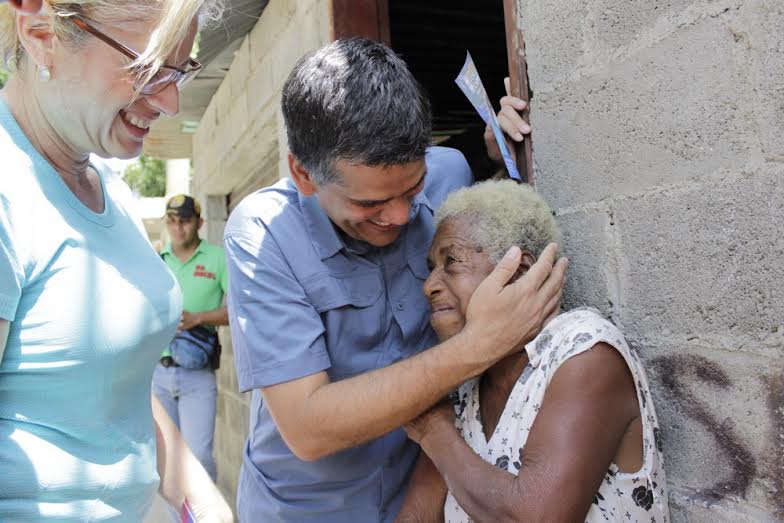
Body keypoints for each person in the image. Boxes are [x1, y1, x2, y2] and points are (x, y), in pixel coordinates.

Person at [224, 37, 568, 522]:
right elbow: (308, 426)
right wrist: (480, 344)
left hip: (424, 501)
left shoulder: (450, 173)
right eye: (369, 204)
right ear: (304, 174)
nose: (403, 216)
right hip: (305, 510)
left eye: (413, 188)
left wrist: (501, 151)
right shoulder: (263, 234)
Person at [0, 1, 231, 521]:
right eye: (149, 69)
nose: (171, 101)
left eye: (179, 71)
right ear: (41, 34)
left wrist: (200, 497)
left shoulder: (111, 188)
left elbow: (111, 389)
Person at [396, 179, 669, 522]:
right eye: (430, 268)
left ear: (519, 273)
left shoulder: (585, 351)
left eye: (451, 261)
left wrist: (433, 433)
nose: (429, 286)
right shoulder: (466, 386)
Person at [154, 193, 229, 482]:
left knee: (198, 456)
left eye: (184, 221)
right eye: (172, 222)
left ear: (199, 222)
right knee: (168, 460)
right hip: (159, 373)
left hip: (198, 373)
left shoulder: (217, 258)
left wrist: (199, 318)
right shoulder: (158, 260)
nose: (178, 228)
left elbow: (236, 311)